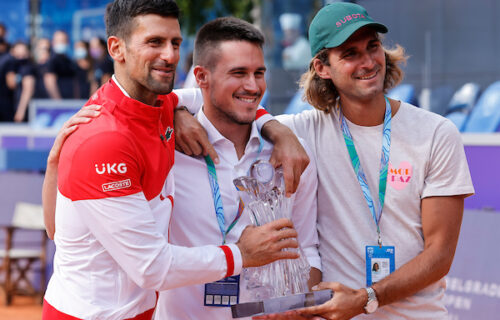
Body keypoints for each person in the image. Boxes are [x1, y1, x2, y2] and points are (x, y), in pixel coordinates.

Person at [175, 2, 474, 319]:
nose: (368, 61)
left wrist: (365, 299)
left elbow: (440, 253)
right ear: (322, 68)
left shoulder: (436, 133)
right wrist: (178, 110)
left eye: (373, 47)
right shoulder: (302, 131)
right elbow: (234, 105)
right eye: (350, 53)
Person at [42, 1, 305, 319]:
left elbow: (218, 98)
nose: (169, 55)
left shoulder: (159, 104)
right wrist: (241, 254)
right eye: (154, 42)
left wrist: (275, 127)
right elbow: (153, 269)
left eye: (175, 43)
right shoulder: (104, 140)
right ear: (116, 48)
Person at [155, 17, 321, 319]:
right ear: (201, 77)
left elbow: (307, 247)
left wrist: (300, 307)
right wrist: (173, 107)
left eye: (259, 73)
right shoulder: (167, 150)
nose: (253, 86)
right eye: (238, 73)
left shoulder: (291, 154)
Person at [44, 30, 76, 99]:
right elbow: (50, 82)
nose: (61, 43)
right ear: (53, 43)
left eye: (63, 41)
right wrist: (58, 101)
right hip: (58, 103)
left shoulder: (69, 61)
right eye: (58, 41)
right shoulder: (52, 60)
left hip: (70, 101)